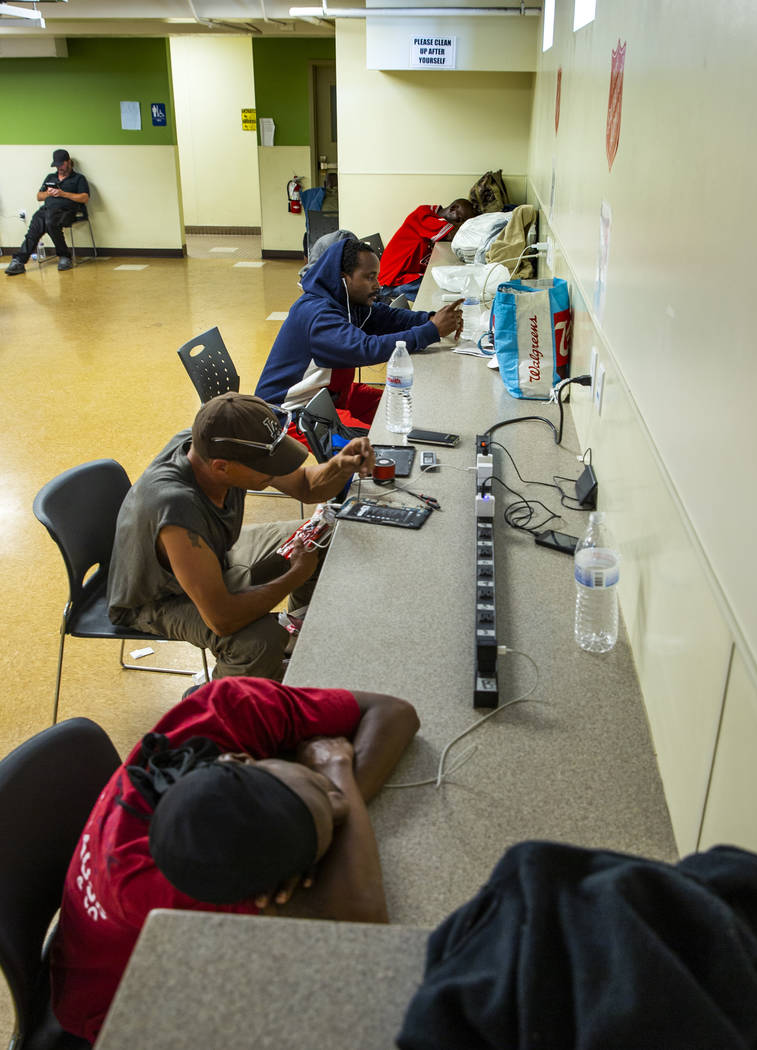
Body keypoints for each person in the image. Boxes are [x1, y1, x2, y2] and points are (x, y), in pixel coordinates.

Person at [50, 675, 421, 1042]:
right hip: (125, 1011)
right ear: (265, 886)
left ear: (239, 760)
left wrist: (335, 803)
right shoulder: (166, 879)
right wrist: (335, 770)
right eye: (331, 794)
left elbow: (394, 713)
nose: (338, 799)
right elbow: (360, 925)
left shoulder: (224, 709)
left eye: (318, 786)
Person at [106, 391, 374, 682]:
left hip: (215, 556)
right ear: (221, 466)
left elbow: (307, 486)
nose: (273, 473)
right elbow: (222, 619)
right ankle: (220, 705)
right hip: (158, 597)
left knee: (325, 536)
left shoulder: (212, 448)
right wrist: (296, 574)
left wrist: (340, 465)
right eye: (266, 469)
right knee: (258, 641)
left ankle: (294, 637)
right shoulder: (176, 510)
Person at [254, 238, 463, 442]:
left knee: (406, 408)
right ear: (344, 279)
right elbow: (365, 349)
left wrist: (430, 319)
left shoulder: (345, 301)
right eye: (369, 277)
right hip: (295, 414)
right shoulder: (318, 315)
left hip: (331, 395)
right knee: (380, 443)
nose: (378, 285)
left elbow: (388, 317)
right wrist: (432, 330)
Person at [4, 149, 90, 275]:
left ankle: (64, 256)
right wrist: (48, 193)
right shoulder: (51, 177)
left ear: (68, 162)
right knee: (35, 227)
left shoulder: (78, 178)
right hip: (47, 210)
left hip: (67, 211)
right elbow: (39, 196)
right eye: (56, 165)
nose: (58, 167)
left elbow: (85, 198)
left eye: (61, 164)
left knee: (50, 221)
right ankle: (19, 261)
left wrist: (63, 194)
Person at [377, 199, 476, 300]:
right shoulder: (423, 214)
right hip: (394, 281)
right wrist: (470, 226)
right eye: (460, 220)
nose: (461, 225)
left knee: (450, 282)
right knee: (441, 292)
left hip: (408, 276)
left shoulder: (437, 219)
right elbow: (453, 235)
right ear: (453, 209)